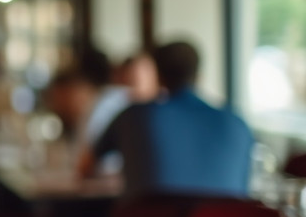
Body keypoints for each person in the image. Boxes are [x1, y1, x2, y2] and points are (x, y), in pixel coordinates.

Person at [86, 40, 253, 199]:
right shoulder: (237, 123)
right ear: (199, 75)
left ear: (158, 76)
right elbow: (243, 187)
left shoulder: (134, 116)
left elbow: (85, 166)